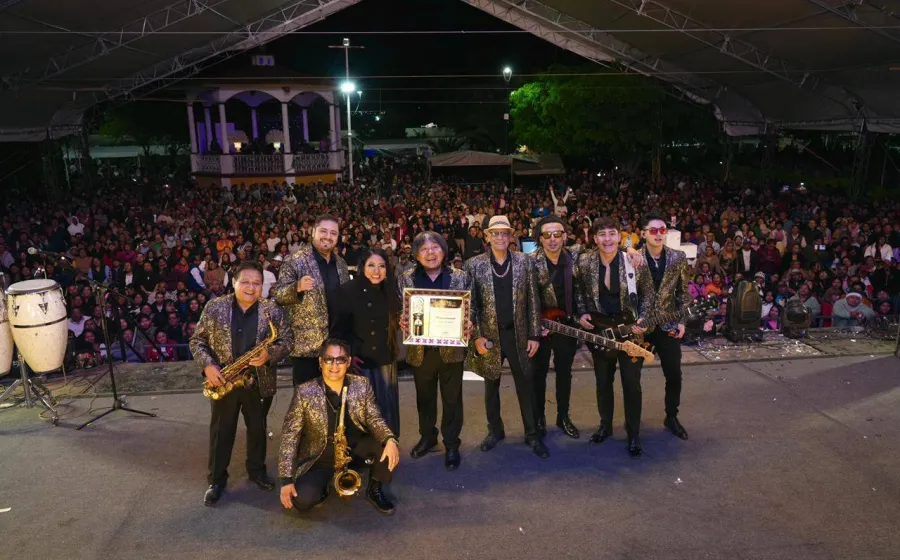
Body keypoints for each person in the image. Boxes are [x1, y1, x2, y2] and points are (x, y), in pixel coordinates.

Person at [190, 262, 294, 507]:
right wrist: (208, 365)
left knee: (257, 429)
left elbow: (288, 340)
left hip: (258, 380)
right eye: (245, 282)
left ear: (263, 286)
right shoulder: (215, 307)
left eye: (256, 283)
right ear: (233, 283)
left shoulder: (273, 310)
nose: (251, 287)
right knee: (221, 431)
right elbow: (197, 341)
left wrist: (270, 355)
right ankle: (216, 480)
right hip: (225, 379)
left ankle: (257, 472)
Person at [278, 339, 400, 515]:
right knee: (302, 501)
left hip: (353, 449)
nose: (334, 365)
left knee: (388, 446)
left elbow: (374, 418)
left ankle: (375, 488)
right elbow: (290, 436)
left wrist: (389, 439)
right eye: (328, 359)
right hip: (321, 455)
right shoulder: (304, 392)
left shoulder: (361, 385)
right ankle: (325, 486)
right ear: (320, 362)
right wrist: (285, 479)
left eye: (340, 359)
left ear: (348, 362)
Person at [465, 215, 549, 459]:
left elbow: (534, 300)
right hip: (490, 336)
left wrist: (534, 335)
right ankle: (495, 430)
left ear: (511, 236)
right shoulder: (475, 264)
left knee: (526, 385)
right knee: (491, 385)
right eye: (495, 233)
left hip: (519, 334)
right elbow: (471, 305)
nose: (500, 237)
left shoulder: (524, 262)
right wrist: (477, 336)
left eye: (505, 233)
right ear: (487, 236)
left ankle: (532, 434)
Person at [576, 216, 655, 458]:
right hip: (600, 332)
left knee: (632, 385)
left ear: (619, 236)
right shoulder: (586, 261)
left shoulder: (633, 260)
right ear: (594, 238)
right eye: (602, 234)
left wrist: (643, 319)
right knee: (603, 383)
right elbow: (579, 292)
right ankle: (605, 426)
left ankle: (633, 434)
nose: (607, 239)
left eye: (612, 234)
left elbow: (649, 294)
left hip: (630, 332)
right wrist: (581, 313)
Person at [397, 231, 470, 471]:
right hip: (421, 350)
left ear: (444, 250)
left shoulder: (460, 277)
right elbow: (401, 308)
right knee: (424, 398)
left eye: (435, 247)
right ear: (416, 255)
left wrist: (470, 322)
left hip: (451, 351)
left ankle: (451, 444)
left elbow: (473, 308)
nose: (430, 253)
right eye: (424, 249)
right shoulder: (406, 278)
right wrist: (402, 321)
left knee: (452, 400)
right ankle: (428, 437)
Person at [273, 214, 350, 386]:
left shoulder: (342, 265)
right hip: (306, 348)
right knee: (306, 403)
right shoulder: (295, 261)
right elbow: (278, 295)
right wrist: (297, 287)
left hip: (336, 345)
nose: (328, 237)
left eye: (333, 233)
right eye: (323, 231)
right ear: (313, 232)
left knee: (334, 399)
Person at [331, 248, 401, 436]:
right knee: (362, 410)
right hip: (360, 361)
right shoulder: (347, 291)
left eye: (381, 266)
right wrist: (349, 355)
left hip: (385, 358)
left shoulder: (391, 290)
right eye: (371, 265)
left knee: (385, 408)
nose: (376, 271)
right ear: (362, 267)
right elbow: (338, 330)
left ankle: (387, 446)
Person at [639, 213, 691, 440]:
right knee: (632, 378)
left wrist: (682, 321)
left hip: (668, 325)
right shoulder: (631, 258)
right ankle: (633, 421)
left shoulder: (678, 257)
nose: (659, 234)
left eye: (662, 230)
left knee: (674, 376)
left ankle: (671, 416)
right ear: (643, 233)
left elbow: (684, 293)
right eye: (653, 230)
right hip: (641, 328)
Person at [530, 216, 581, 439]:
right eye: (547, 235)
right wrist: (534, 326)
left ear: (565, 236)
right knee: (537, 375)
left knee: (564, 374)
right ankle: (539, 418)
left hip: (567, 327)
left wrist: (631, 251)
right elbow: (522, 298)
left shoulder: (576, 258)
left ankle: (563, 416)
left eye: (557, 234)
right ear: (539, 239)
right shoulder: (528, 261)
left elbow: (607, 252)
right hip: (539, 329)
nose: (553, 239)